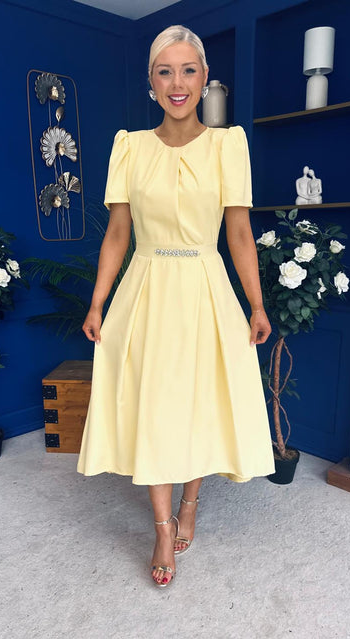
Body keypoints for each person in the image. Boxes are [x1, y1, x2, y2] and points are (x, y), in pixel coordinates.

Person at [78, 25, 274, 588]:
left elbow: (239, 233)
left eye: (188, 70)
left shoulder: (228, 145)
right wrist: (97, 303)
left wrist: (256, 305)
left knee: (199, 401)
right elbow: (118, 233)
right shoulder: (129, 147)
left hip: (206, 287)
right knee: (157, 404)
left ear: (205, 77)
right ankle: (163, 527)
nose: (178, 82)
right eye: (165, 71)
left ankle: (191, 502)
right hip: (146, 289)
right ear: (151, 81)